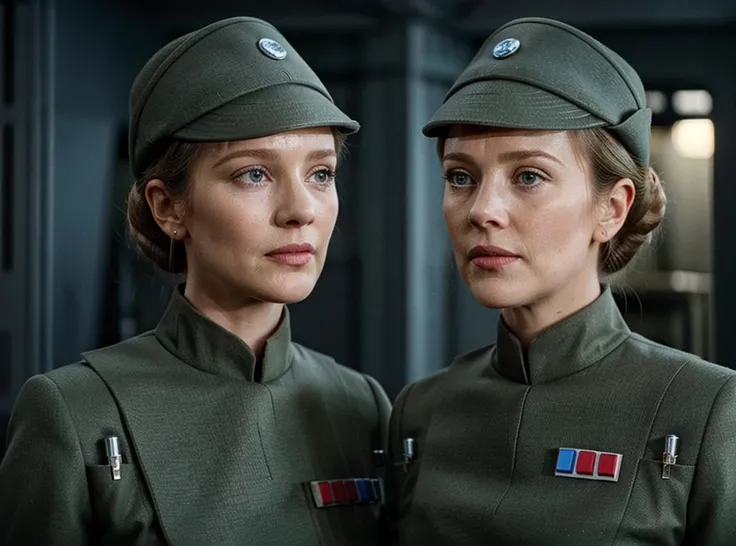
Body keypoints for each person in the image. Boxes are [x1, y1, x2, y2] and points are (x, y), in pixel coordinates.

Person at [0, 16, 390, 546]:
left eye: (320, 173)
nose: (301, 210)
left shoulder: (362, 405)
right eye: (254, 173)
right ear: (168, 207)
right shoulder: (74, 413)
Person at [384, 17, 736, 546]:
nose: (482, 210)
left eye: (529, 176)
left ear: (612, 209)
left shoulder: (707, 409)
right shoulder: (421, 410)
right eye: (461, 177)